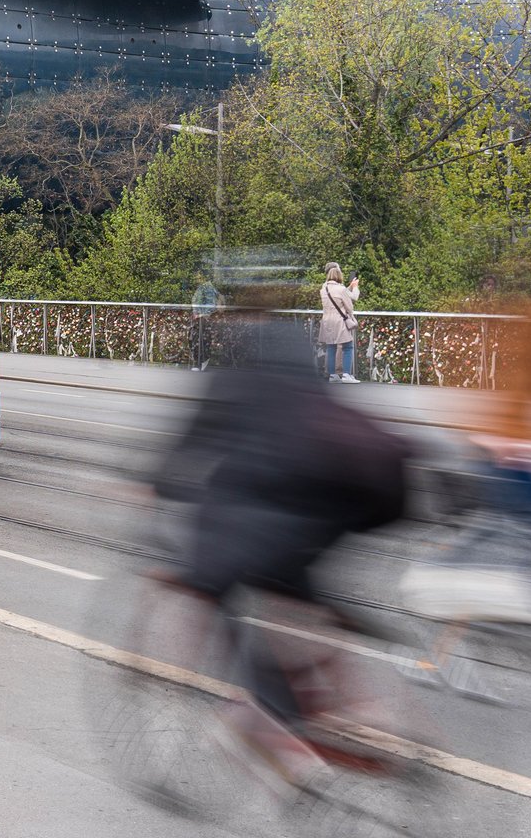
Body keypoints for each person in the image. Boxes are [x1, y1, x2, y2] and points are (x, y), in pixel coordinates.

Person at [152, 254, 409, 766]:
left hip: (261, 520)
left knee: (226, 589)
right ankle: (356, 704)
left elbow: (185, 453)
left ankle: (273, 721)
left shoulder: (230, 375)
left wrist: (157, 487)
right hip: (328, 512)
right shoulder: (300, 361)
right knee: (296, 593)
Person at [318, 263, 361, 383]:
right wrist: (355, 287)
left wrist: (349, 287)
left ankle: (333, 375)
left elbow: (336, 296)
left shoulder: (324, 288)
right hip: (340, 321)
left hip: (327, 321)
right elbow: (350, 306)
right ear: (339, 275)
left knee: (331, 347)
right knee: (348, 346)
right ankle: (346, 375)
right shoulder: (341, 289)